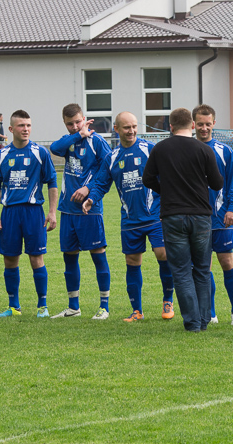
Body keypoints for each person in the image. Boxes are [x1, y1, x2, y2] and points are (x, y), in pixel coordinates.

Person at [83, 112, 175, 322]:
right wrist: (91, 199)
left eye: (134, 126)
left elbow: (167, 178)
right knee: (132, 261)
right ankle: (137, 311)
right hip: (130, 219)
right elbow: (101, 183)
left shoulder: (150, 149)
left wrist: (168, 206)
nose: (131, 131)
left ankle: (168, 300)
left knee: (163, 254)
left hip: (155, 216)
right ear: (116, 129)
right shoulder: (112, 157)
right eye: (126, 127)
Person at [143, 108, 223, 332]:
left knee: (181, 270)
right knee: (202, 270)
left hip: (173, 215)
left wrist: (165, 190)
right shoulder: (204, 149)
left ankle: (192, 322)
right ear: (193, 125)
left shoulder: (160, 149)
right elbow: (217, 183)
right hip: (201, 216)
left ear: (170, 127)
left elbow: (147, 178)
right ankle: (204, 320)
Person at [0, 110, 58, 318]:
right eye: (21, 126)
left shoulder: (40, 153)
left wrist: (52, 212)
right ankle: (14, 307)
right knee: (10, 260)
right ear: (11, 129)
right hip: (10, 212)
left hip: (33, 212)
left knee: (36, 258)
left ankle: (42, 306)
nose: (26, 129)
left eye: (28, 125)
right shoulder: (2, 155)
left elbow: (52, 182)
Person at [49, 104, 112, 319]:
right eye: (70, 124)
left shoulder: (97, 141)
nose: (75, 126)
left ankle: (104, 307)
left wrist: (88, 188)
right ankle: (73, 307)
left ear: (84, 119)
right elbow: (54, 148)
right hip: (68, 210)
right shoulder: (69, 141)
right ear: (65, 124)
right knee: (69, 257)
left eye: (78, 122)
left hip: (90, 210)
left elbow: (108, 168)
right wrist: (78, 135)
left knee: (98, 255)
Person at [192, 104, 233, 325]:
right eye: (200, 124)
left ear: (214, 123)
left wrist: (232, 209)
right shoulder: (188, 150)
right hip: (196, 218)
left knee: (227, 262)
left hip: (220, 217)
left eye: (207, 124)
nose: (204, 128)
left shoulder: (225, 151)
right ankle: (210, 312)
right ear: (193, 124)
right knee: (203, 267)